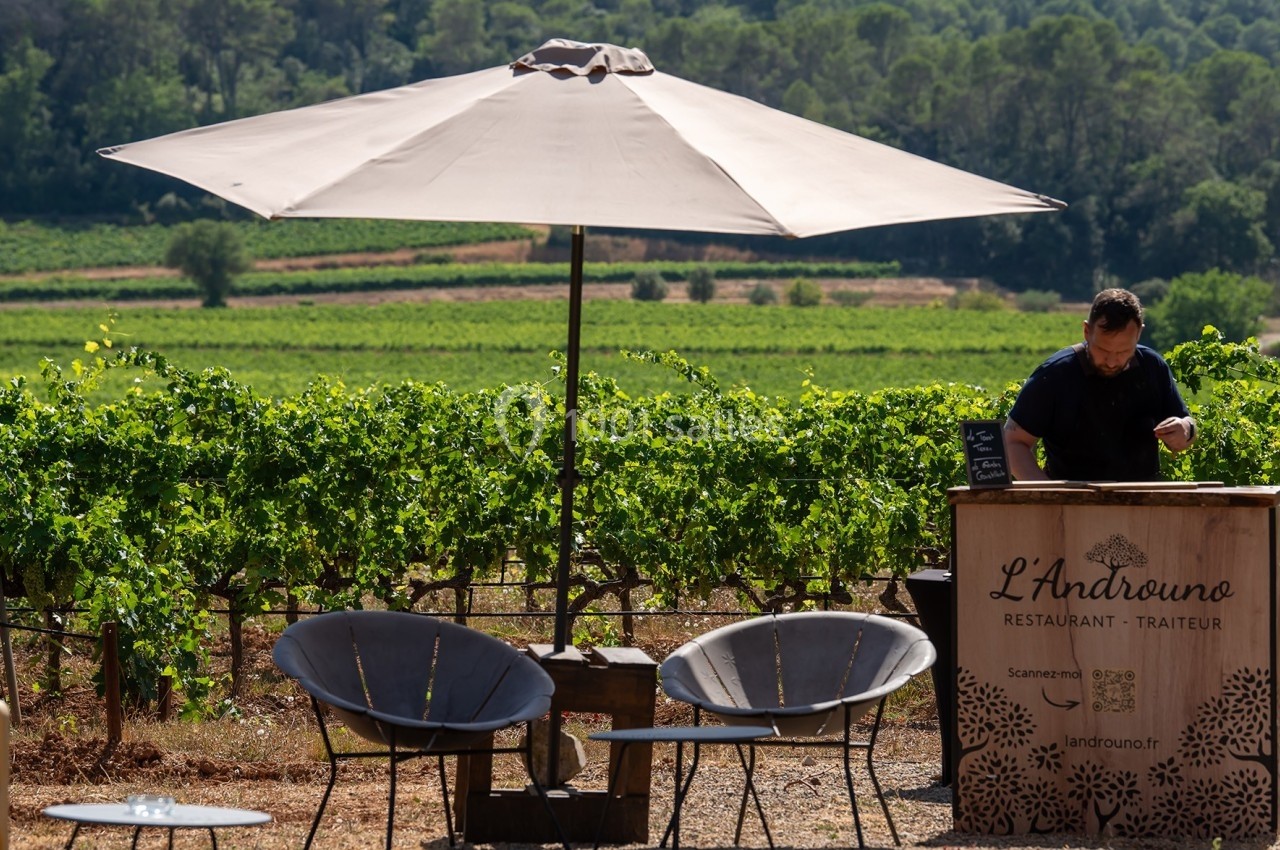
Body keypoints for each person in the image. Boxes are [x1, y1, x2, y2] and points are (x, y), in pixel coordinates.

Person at [1003, 288, 1196, 481]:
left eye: (1123, 352)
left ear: (1139, 334)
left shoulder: (1152, 366)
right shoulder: (1055, 374)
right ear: (1087, 331)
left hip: (1142, 503)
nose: (1112, 361)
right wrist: (1050, 496)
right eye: (1103, 350)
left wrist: (1185, 430)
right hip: (1074, 503)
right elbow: (1013, 443)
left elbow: (1187, 425)